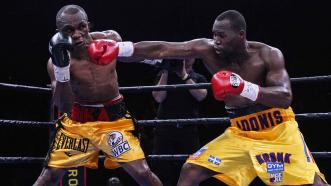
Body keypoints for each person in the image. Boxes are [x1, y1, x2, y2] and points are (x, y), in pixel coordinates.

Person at [123, 10, 328, 186]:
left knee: (312, 181)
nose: (216, 40)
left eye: (222, 35)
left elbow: (284, 97)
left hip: (278, 131)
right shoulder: (208, 50)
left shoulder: (268, 54)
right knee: (191, 170)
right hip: (241, 132)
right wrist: (120, 49)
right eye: (214, 35)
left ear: (240, 35)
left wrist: (242, 87)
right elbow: (163, 48)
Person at [33, 4, 162, 186]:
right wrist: (63, 70)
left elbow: (133, 53)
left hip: (114, 121)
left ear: (88, 25)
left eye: (81, 27)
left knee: (143, 174)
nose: (77, 34)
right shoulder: (55, 62)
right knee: (48, 177)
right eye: (69, 30)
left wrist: (157, 60)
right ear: (59, 32)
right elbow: (63, 107)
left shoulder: (109, 39)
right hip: (77, 123)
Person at [151, 58, 207, 186]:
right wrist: (165, 71)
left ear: (194, 59)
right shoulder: (164, 76)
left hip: (188, 129)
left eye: (189, 56)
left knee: (193, 165)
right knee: (161, 166)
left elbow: (201, 96)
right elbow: (158, 98)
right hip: (165, 128)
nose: (185, 59)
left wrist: (184, 76)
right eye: (181, 56)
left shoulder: (198, 77)